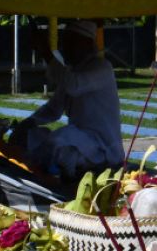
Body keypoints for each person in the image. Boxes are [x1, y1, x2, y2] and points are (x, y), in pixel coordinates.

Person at [12, 20, 124, 189]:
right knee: (35, 136)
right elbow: (53, 109)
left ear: (86, 44)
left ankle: (69, 181)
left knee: (60, 139)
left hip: (102, 146)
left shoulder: (102, 68)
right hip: (80, 141)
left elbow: (73, 86)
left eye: (70, 43)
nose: (65, 49)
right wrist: (27, 124)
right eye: (64, 43)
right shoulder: (72, 72)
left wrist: (46, 52)